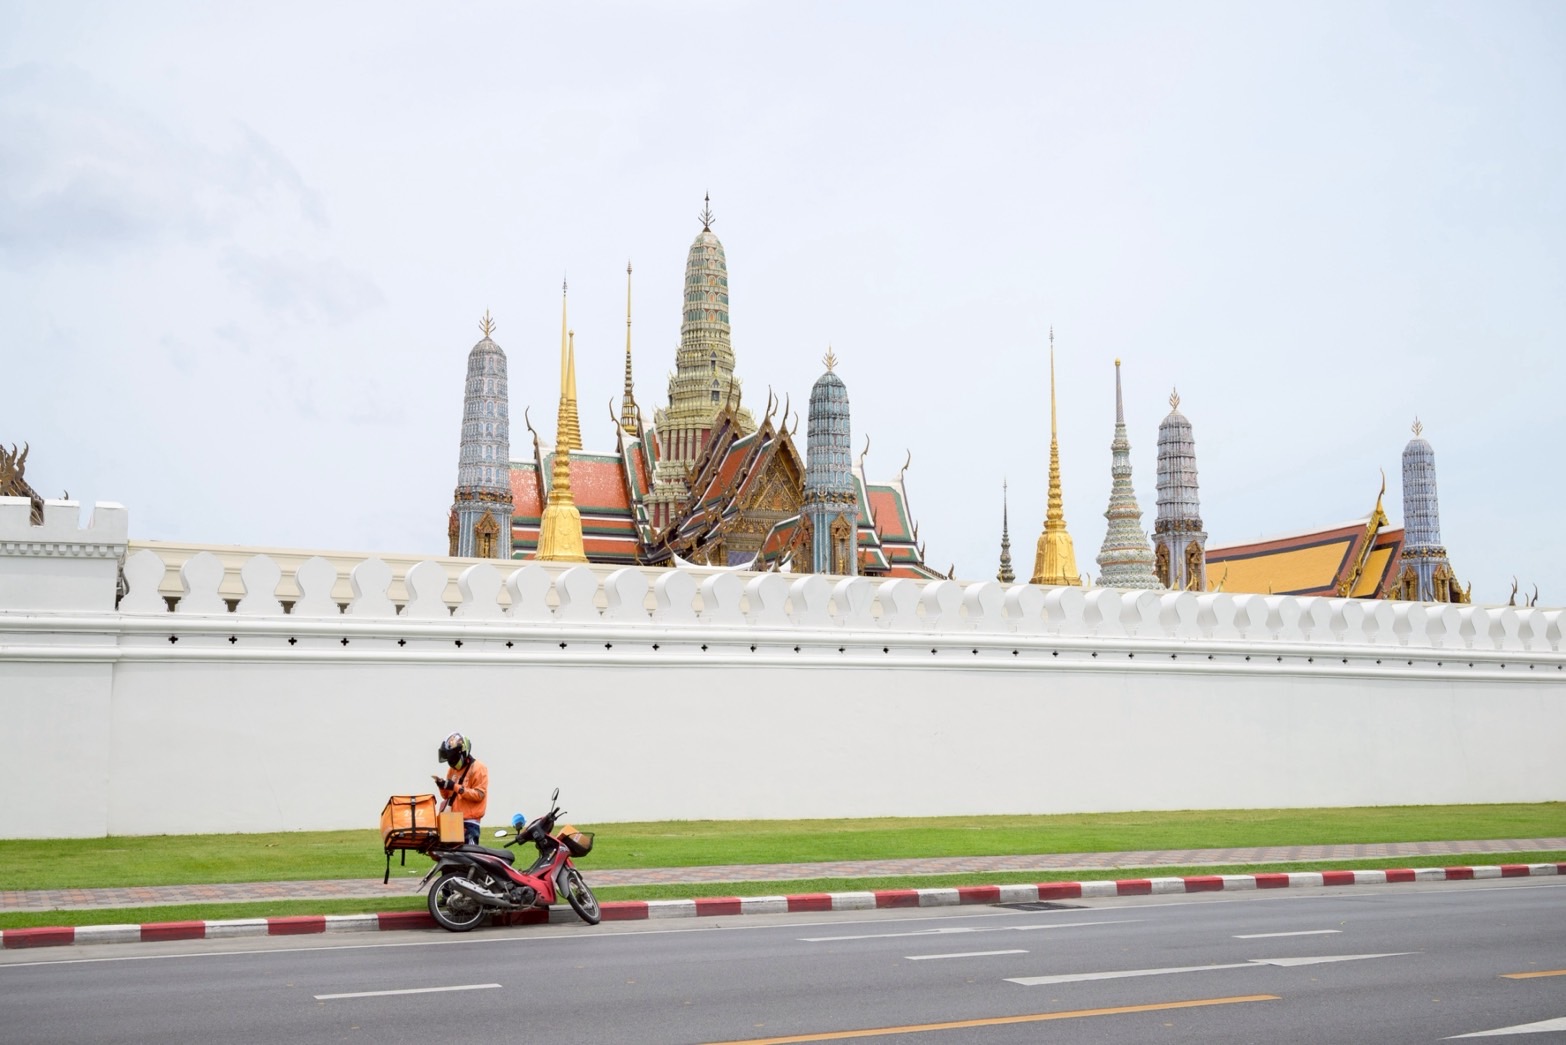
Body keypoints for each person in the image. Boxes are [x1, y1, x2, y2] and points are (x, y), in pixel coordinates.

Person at [434, 732, 488, 845]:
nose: (451, 763)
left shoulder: (479, 768)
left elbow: (479, 795)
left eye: (453, 758)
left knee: (468, 859)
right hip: (453, 820)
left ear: (463, 752)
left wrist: (455, 787)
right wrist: (442, 786)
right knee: (452, 858)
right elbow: (447, 796)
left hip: (470, 823)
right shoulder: (452, 770)